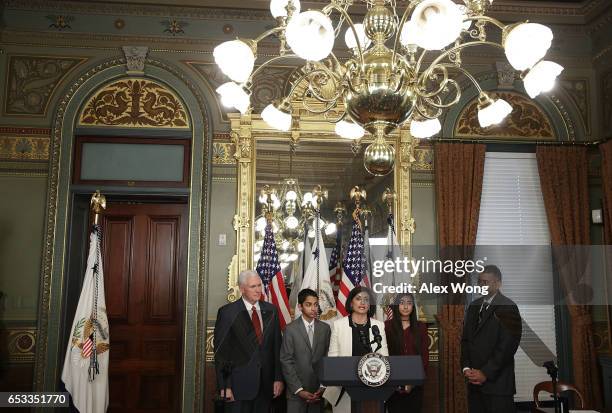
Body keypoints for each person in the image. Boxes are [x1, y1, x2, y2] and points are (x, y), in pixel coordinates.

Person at [213, 269, 284, 413]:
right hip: (238, 386)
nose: (258, 290)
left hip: (266, 385)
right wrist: (225, 386)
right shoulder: (227, 313)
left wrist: (278, 378)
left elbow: (277, 347)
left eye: (259, 285)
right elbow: (222, 353)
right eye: (253, 287)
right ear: (242, 289)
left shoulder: (272, 310)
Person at [461, 265, 522, 413]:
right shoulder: (474, 306)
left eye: (486, 282)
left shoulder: (508, 307)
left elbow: (507, 347)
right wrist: (466, 368)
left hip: (498, 387)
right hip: (474, 386)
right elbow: (466, 341)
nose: (481, 285)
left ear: (498, 283)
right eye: (480, 282)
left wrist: (485, 373)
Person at [323, 286, 389, 413]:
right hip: (344, 388)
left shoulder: (378, 326)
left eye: (366, 299)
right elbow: (333, 359)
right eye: (358, 299)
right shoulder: (339, 326)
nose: (363, 302)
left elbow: (384, 357)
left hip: (372, 387)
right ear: (351, 303)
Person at [280, 288, 332, 413]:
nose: (314, 308)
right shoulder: (290, 329)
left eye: (315, 304)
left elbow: (327, 358)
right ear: (300, 306)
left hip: (317, 392)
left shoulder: (325, 328)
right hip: (296, 393)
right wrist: (299, 390)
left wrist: (323, 386)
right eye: (308, 305)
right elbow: (286, 361)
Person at [384, 293, 429, 413]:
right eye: (402, 303)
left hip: (415, 384)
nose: (405, 306)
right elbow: (384, 355)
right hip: (392, 384)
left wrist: (412, 383)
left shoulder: (421, 327)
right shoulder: (387, 326)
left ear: (413, 307)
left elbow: (424, 358)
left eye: (409, 303)